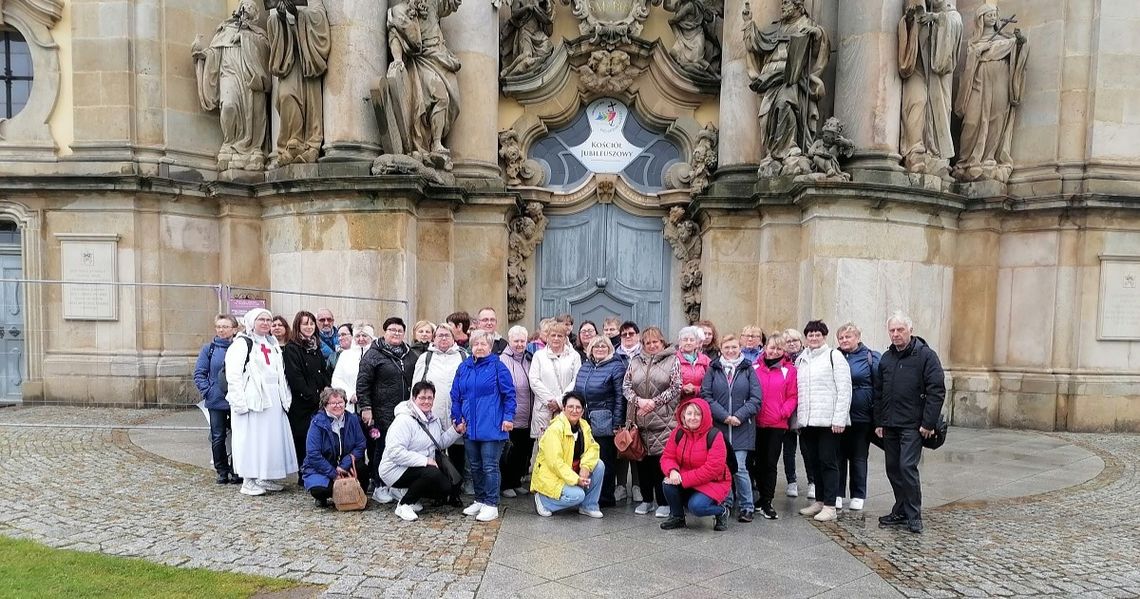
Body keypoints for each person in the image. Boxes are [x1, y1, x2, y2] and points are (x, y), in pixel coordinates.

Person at [874, 312, 945, 534]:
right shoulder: (886, 358)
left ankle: (914, 515)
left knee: (907, 467)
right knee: (893, 468)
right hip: (890, 424)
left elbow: (936, 390)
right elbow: (879, 393)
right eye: (892, 330)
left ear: (910, 330)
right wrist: (879, 421)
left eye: (900, 330)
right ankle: (901, 509)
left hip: (913, 425)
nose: (896, 334)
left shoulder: (926, 356)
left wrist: (928, 422)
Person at [190, 0, 271, 171]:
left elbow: (266, 54)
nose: (246, 8)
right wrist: (203, 55)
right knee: (228, 106)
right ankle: (229, 143)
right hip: (228, 76)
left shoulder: (259, 34)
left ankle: (253, 147)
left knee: (253, 113)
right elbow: (215, 53)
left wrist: (244, 38)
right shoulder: (225, 31)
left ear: (256, 15)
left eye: (251, 7)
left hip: (250, 79)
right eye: (245, 5)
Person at [225, 308, 298, 497]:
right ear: (251, 322)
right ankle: (249, 480)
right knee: (252, 439)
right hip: (253, 399)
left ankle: (265, 476)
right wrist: (239, 402)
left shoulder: (272, 343)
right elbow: (233, 375)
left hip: (273, 398)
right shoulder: (242, 344)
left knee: (270, 439)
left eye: (268, 319)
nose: (266, 323)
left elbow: (279, 373)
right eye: (261, 320)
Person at [952, 3, 1028, 183]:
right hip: (978, 84)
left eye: (994, 15)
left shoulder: (1005, 40)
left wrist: (1019, 42)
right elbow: (968, 65)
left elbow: (1019, 54)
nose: (993, 18)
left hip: (999, 83)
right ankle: (967, 161)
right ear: (980, 19)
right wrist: (978, 52)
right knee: (971, 121)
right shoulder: (974, 42)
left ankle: (988, 158)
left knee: (997, 118)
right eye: (989, 15)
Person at [451, 330, 517, 522]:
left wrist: (508, 417)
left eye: (483, 344)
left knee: (489, 466)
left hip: (493, 426)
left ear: (490, 347)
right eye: (476, 344)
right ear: (471, 346)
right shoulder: (464, 367)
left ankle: (491, 503)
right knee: (475, 466)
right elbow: (455, 395)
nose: (479, 347)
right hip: (470, 426)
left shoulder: (498, 367)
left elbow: (509, 395)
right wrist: (457, 418)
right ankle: (480, 499)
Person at [379, 381, 467, 521]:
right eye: (422, 398)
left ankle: (410, 495)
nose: (426, 401)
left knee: (444, 487)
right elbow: (395, 452)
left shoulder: (433, 419)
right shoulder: (404, 420)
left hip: (417, 467)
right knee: (431, 472)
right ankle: (404, 504)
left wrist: (455, 431)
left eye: (430, 398)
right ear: (414, 398)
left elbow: (439, 443)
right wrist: (425, 460)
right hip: (394, 469)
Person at [795, 320, 852, 523]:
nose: (814, 337)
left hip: (828, 421)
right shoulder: (802, 359)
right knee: (814, 462)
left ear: (824, 336)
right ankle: (819, 501)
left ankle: (830, 504)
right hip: (808, 421)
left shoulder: (833, 356)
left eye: (817, 334)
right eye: (810, 334)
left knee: (829, 462)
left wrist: (840, 419)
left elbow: (844, 389)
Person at [897, 0, 962, 175]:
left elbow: (955, 22)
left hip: (937, 76)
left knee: (940, 109)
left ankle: (936, 155)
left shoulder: (950, 12)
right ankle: (914, 152)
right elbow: (906, 30)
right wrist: (910, 21)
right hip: (917, 67)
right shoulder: (917, 6)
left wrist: (938, 18)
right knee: (917, 102)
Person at [701, 335, 761, 522]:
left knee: (740, 468)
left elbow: (756, 399)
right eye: (726, 347)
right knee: (723, 467)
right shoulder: (713, 368)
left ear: (740, 348)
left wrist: (739, 416)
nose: (730, 350)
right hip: (719, 426)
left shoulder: (748, 369)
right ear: (721, 349)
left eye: (734, 347)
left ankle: (747, 506)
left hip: (742, 427)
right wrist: (724, 416)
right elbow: (706, 395)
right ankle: (726, 502)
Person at [357, 317, 418, 501]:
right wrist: (366, 408)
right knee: (381, 449)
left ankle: (396, 485)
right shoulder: (373, 354)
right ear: (385, 332)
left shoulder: (409, 354)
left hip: (404, 413)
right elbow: (363, 383)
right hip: (381, 411)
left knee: (403, 450)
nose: (396, 333)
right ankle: (379, 485)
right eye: (392, 329)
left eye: (399, 330)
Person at [623, 326, 681, 518]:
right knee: (642, 462)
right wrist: (639, 401)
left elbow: (676, 387)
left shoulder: (673, 360)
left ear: (662, 342)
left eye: (655, 342)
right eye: (648, 342)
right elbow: (626, 387)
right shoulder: (635, 361)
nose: (652, 345)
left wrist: (653, 403)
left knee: (660, 463)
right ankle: (647, 500)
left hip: (664, 420)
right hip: (640, 419)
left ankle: (663, 502)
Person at [266, 0, 331, 167]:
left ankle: (306, 144)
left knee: (311, 104)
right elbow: (272, 26)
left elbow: (320, 18)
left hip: (307, 59)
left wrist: (298, 14)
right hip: (290, 60)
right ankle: (291, 141)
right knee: (285, 95)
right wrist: (280, 17)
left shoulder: (313, 1)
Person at [413, 322, 470, 502]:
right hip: (433, 413)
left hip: (456, 412)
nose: (443, 338)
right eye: (440, 335)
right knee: (435, 453)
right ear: (434, 338)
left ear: (453, 337)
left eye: (447, 335)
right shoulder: (426, 358)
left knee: (457, 453)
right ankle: (437, 492)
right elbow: (416, 387)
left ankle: (455, 491)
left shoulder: (463, 356)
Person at [659, 398, 733, 531]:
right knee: (667, 483)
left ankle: (721, 511)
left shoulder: (715, 435)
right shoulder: (678, 432)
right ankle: (677, 517)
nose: (692, 418)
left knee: (697, 507)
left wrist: (683, 478)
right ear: (683, 415)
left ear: (704, 416)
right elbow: (667, 456)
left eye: (697, 414)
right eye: (689, 413)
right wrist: (672, 471)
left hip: (713, 482)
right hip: (686, 478)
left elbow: (712, 469)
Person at [531, 392, 605, 518]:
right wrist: (576, 479)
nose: (574, 410)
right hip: (552, 475)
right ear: (563, 409)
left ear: (582, 411)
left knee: (599, 465)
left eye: (578, 407)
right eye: (570, 407)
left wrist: (585, 467)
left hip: (572, 469)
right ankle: (544, 501)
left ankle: (589, 505)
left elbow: (593, 448)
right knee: (577, 495)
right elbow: (555, 462)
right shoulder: (555, 429)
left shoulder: (584, 425)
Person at [573, 336, 626, 507]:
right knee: (586, 458)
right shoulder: (586, 365)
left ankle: (605, 497)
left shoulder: (616, 366)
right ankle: (590, 493)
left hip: (604, 420)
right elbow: (577, 391)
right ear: (591, 349)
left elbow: (620, 398)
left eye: (604, 346)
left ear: (610, 348)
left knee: (605, 460)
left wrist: (617, 423)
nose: (600, 348)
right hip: (584, 419)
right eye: (596, 346)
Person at [752, 332, 798, 520]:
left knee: (770, 462)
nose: (775, 351)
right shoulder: (754, 367)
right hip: (755, 422)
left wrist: (783, 412)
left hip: (777, 423)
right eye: (772, 347)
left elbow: (793, 396)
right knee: (756, 462)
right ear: (765, 348)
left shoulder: (789, 370)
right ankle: (758, 497)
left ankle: (767, 500)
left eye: (779, 348)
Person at [836, 322, 880, 512]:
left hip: (861, 416)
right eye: (841, 337)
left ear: (858, 337)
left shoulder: (871, 357)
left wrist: (878, 419)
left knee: (858, 456)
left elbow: (879, 388)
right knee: (837, 456)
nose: (844, 340)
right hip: (838, 416)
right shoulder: (834, 356)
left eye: (848, 336)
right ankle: (837, 493)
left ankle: (858, 494)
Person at [283, 310, 332, 477]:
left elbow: (323, 372)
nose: (309, 327)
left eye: (312, 323)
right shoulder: (292, 348)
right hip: (303, 403)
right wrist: (312, 397)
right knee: (303, 439)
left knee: (317, 440)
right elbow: (295, 377)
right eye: (305, 323)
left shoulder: (315, 346)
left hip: (319, 401)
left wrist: (327, 392)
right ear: (298, 326)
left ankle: (318, 471)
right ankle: (304, 474)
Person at [194, 314, 241, 484]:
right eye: (219, 326)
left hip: (236, 399)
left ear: (234, 329)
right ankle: (221, 469)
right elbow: (199, 373)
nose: (221, 330)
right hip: (216, 399)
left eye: (225, 326)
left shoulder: (240, 347)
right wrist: (208, 391)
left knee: (238, 435)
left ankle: (237, 468)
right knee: (218, 436)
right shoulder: (209, 349)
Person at [301, 388, 367, 507]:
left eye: (340, 402)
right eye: (333, 403)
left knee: (363, 469)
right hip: (322, 468)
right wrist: (334, 474)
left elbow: (361, 444)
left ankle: (355, 494)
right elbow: (313, 454)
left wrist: (345, 464)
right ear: (325, 405)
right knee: (320, 489)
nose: (338, 406)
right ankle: (326, 496)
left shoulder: (352, 419)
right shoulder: (317, 423)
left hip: (345, 465)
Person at [529, 322, 582, 440]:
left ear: (565, 338)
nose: (556, 338)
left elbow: (576, 380)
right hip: (544, 408)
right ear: (547, 337)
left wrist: (559, 401)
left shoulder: (574, 356)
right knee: (543, 447)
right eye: (553, 335)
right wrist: (550, 401)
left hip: (566, 407)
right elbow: (534, 380)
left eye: (560, 336)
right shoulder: (539, 356)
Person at [499, 326, 533, 498]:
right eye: (516, 341)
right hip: (511, 414)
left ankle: (517, 481)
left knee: (523, 451)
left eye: (522, 341)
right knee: (509, 452)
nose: (519, 344)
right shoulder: (502, 360)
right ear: (509, 340)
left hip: (528, 415)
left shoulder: (529, 358)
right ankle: (506, 484)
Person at [781, 327, 811, 499]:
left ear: (801, 342)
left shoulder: (808, 357)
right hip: (787, 409)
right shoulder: (782, 361)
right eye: (788, 341)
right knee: (789, 448)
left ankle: (812, 481)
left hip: (804, 407)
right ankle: (791, 481)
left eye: (795, 340)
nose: (792, 344)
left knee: (807, 448)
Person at [330, 323, 376, 413]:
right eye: (358, 336)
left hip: (373, 406)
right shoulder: (345, 355)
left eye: (364, 336)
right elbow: (336, 379)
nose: (361, 339)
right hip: (350, 407)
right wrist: (350, 395)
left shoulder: (377, 355)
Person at [677, 326, 711, 401]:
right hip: (678, 402)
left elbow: (711, 383)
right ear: (680, 342)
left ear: (697, 343)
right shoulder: (674, 359)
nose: (688, 343)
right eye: (685, 340)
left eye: (692, 340)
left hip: (699, 401)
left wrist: (695, 389)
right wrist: (683, 388)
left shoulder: (705, 360)